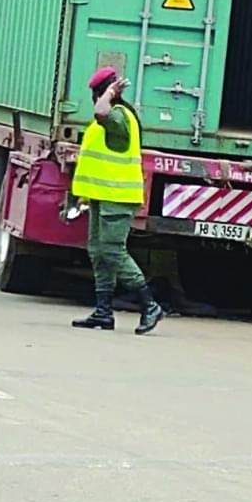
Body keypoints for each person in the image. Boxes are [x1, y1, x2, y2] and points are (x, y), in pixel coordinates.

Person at [71, 67, 162, 335]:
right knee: (98, 252)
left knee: (112, 251)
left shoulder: (118, 118)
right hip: (103, 197)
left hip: (118, 198)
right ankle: (103, 312)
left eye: (96, 93)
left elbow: (100, 112)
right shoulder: (110, 119)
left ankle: (150, 305)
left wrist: (110, 94)